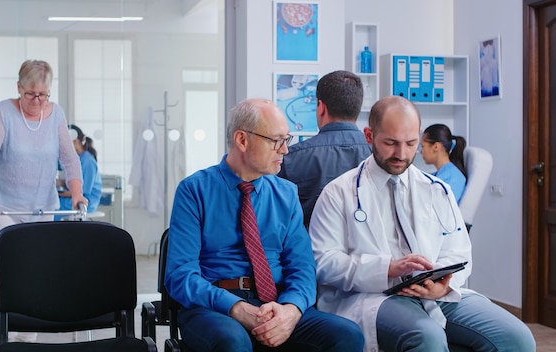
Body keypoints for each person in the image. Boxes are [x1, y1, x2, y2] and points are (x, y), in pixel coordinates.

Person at [308, 96, 536, 352]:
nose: (401, 154)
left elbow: (459, 251)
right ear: (369, 136)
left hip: (435, 294)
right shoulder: (339, 192)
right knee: (426, 337)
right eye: (391, 143)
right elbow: (323, 262)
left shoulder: (438, 190)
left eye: (411, 143)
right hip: (374, 295)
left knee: (517, 337)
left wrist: (442, 282)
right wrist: (387, 269)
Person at [165, 98, 364, 352]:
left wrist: (290, 310)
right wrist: (235, 307)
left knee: (347, 335)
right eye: (275, 140)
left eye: (286, 139)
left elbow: (303, 267)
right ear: (242, 140)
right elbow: (180, 274)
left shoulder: (286, 193)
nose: (285, 150)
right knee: (233, 341)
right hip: (214, 306)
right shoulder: (194, 191)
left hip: (276, 303)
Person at [0, 59, 87, 342]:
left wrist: (77, 193)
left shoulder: (56, 114)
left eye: (42, 95)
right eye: (30, 94)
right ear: (19, 88)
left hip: (42, 205)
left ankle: (28, 339)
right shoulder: (3, 112)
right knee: (12, 269)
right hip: (4, 206)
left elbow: (69, 157)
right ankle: (6, 333)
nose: (36, 100)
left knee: (38, 270)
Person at [277, 70, 371, 229]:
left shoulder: (289, 158)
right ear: (358, 107)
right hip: (369, 253)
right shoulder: (378, 156)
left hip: (308, 251)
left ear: (321, 107)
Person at [55, 124, 102, 221]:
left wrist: (56, 194)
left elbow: (80, 191)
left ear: (75, 141)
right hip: (73, 198)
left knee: (50, 207)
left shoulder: (87, 160)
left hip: (84, 202)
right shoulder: (78, 158)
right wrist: (60, 183)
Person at [420, 123, 467, 203]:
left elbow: (438, 210)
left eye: (423, 146)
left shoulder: (452, 177)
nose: (421, 151)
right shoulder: (442, 173)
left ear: (436, 147)